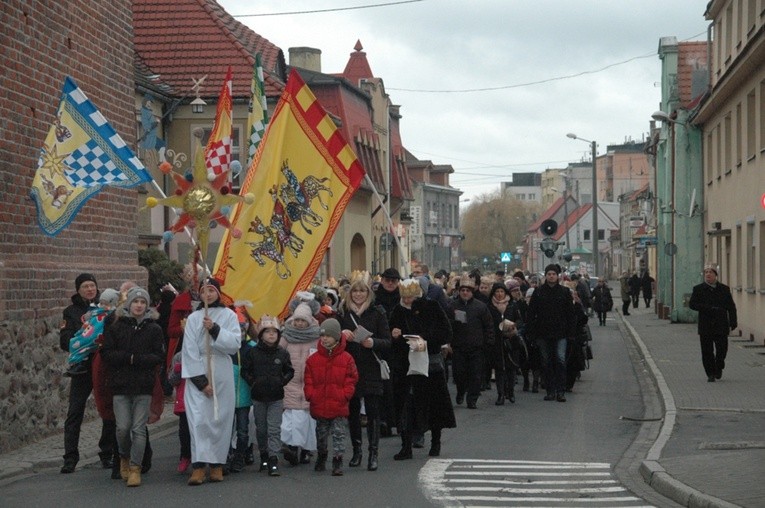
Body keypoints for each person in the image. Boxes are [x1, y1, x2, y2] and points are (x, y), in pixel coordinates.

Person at [100, 286, 164, 487]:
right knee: (122, 428)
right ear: (129, 304)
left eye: (143, 302)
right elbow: (107, 354)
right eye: (136, 302)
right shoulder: (117, 326)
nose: (139, 305)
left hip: (143, 385)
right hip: (120, 385)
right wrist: (128, 358)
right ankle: (124, 457)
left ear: (147, 306)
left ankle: (135, 467)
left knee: (138, 429)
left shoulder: (154, 328)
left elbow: (158, 356)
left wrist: (139, 360)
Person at [182, 277, 241, 486]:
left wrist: (215, 329)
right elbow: (188, 350)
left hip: (221, 370)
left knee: (220, 418)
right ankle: (198, 466)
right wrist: (200, 381)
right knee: (199, 420)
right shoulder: (193, 318)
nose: (207, 295)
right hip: (199, 368)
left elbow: (234, 344)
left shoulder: (229, 315)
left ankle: (217, 464)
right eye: (204, 291)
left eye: (211, 290)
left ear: (218, 293)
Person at [388, 278, 455, 459]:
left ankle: (435, 442)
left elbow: (446, 332)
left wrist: (424, 339)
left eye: (411, 297)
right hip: (406, 364)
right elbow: (391, 336)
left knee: (434, 405)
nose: (408, 301)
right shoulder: (398, 310)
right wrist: (395, 335)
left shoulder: (431, 307)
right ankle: (406, 445)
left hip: (429, 363)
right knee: (406, 406)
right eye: (405, 297)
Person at [59, 273, 116, 474]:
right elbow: (64, 340)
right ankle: (70, 457)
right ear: (78, 290)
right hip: (82, 366)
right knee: (75, 411)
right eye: (85, 286)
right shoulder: (71, 312)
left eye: (92, 285)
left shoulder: (106, 308)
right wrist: (81, 338)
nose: (90, 289)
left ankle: (107, 452)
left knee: (107, 408)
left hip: (102, 364)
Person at [337, 271, 391, 472]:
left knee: (373, 412)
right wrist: (342, 335)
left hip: (371, 367)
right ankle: (357, 451)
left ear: (368, 293)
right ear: (350, 293)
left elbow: (387, 341)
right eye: (355, 291)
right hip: (350, 368)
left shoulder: (377, 312)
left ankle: (373, 453)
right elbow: (332, 340)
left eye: (362, 291)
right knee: (352, 412)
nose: (358, 295)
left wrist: (372, 342)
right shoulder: (342, 313)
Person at [304, 318, 359, 476]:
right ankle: (322, 456)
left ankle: (337, 460)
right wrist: (311, 395)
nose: (324, 338)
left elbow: (352, 378)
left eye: (328, 335)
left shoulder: (346, 358)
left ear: (336, 337)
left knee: (338, 435)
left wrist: (345, 395)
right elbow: (308, 380)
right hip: (319, 403)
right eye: (322, 336)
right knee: (321, 434)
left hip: (339, 404)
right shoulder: (313, 360)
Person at [241, 315, 294, 477]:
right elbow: (246, 371)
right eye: (267, 332)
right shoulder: (253, 353)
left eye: (274, 332)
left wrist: (281, 382)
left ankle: (273, 459)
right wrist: (253, 382)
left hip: (276, 397)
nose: (271, 335)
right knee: (261, 428)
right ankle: (263, 454)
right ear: (261, 334)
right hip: (258, 397)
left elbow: (289, 370)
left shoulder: (282, 353)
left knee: (274, 429)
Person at [526, 264, 576, 402]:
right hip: (543, 333)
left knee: (560, 361)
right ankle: (550, 391)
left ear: (558, 276)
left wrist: (571, 334)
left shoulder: (565, 292)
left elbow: (571, 315)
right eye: (549, 274)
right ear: (546, 276)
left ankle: (561, 391)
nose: (551, 276)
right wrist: (531, 333)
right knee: (546, 362)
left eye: (553, 274)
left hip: (561, 333)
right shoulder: (539, 292)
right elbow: (531, 314)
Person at [280, 303, 321, 467]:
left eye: (302, 321)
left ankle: (305, 450)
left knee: (307, 420)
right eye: (296, 320)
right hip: (290, 381)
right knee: (290, 418)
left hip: (310, 383)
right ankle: (291, 447)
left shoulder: (316, 337)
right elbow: (279, 352)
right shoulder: (287, 336)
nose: (299, 324)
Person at [447, 274, 495, 409]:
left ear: (472, 292)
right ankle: (461, 391)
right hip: (458, 347)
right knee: (459, 373)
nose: (465, 293)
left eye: (467, 290)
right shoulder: (452, 306)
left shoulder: (480, 307)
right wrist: (448, 343)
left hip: (476, 347)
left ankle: (472, 398)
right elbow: (446, 326)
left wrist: (488, 343)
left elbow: (489, 326)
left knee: (475, 375)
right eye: (462, 290)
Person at [688, 263, 737, 382]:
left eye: (711, 272)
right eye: (706, 272)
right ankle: (710, 373)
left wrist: (733, 321)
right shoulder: (698, 289)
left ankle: (719, 366)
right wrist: (706, 308)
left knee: (722, 349)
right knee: (707, 351)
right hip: (706, 324)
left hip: (721, 324)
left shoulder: (724, 289)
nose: (708, 274)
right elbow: (692, 304)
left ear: (716, 275)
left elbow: (731, 306)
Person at [65, 288, 120, 377]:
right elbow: (89, 319)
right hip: (89, 330)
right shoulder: (95, 310)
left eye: (105, 304)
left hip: (96, 335)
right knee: (74, 342)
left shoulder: (112, 315)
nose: (102, 306)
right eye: (101, 303)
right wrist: (86, 322)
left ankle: (78, 363)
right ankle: (76, 364)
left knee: (83, 345)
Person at [487, 282, 513, 405]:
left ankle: (510, 391)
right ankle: (500, 394)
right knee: (499, 368)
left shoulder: (512, 306)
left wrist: (513, 326)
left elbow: (519, 320)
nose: (499, 294)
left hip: (510, 340)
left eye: (502, 291)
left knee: (510, 367)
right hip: (496, 340)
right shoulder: (489, 307)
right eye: (497, 291)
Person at [168, 335, 191, 474]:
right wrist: (178, 370)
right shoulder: (179, 356)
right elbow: (171, 380)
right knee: (184, 432)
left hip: (201, 399)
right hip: (183, 401)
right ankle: (185, 456)